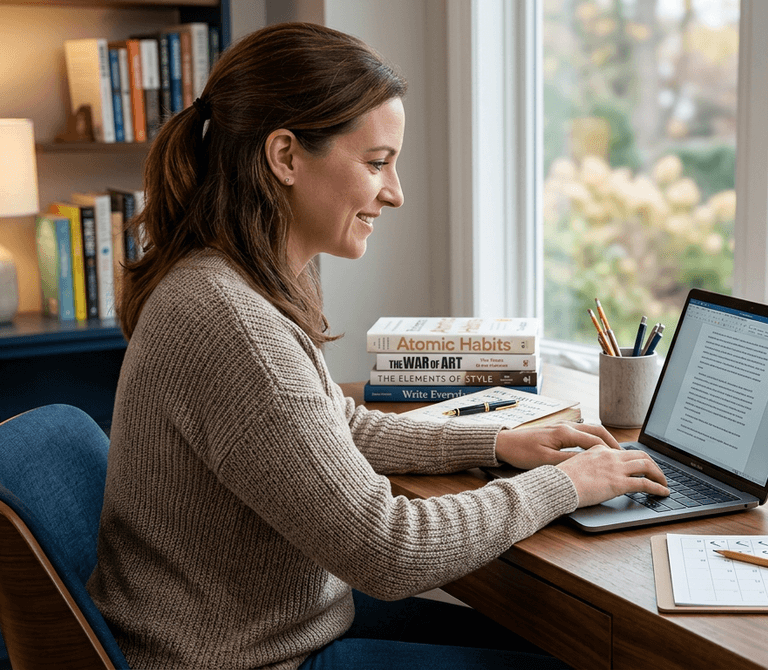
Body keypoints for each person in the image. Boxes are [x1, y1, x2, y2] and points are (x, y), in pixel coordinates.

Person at [86, 22, 669, 670]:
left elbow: (331, 423)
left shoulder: (235, 281)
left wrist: (494, 443)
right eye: (376, 162)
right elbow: (391, 552)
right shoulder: (230, 322)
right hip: (253, 659)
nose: (394, 192)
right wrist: (565, 485)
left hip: (278, 631)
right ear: (284, 157)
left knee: (565, 645)